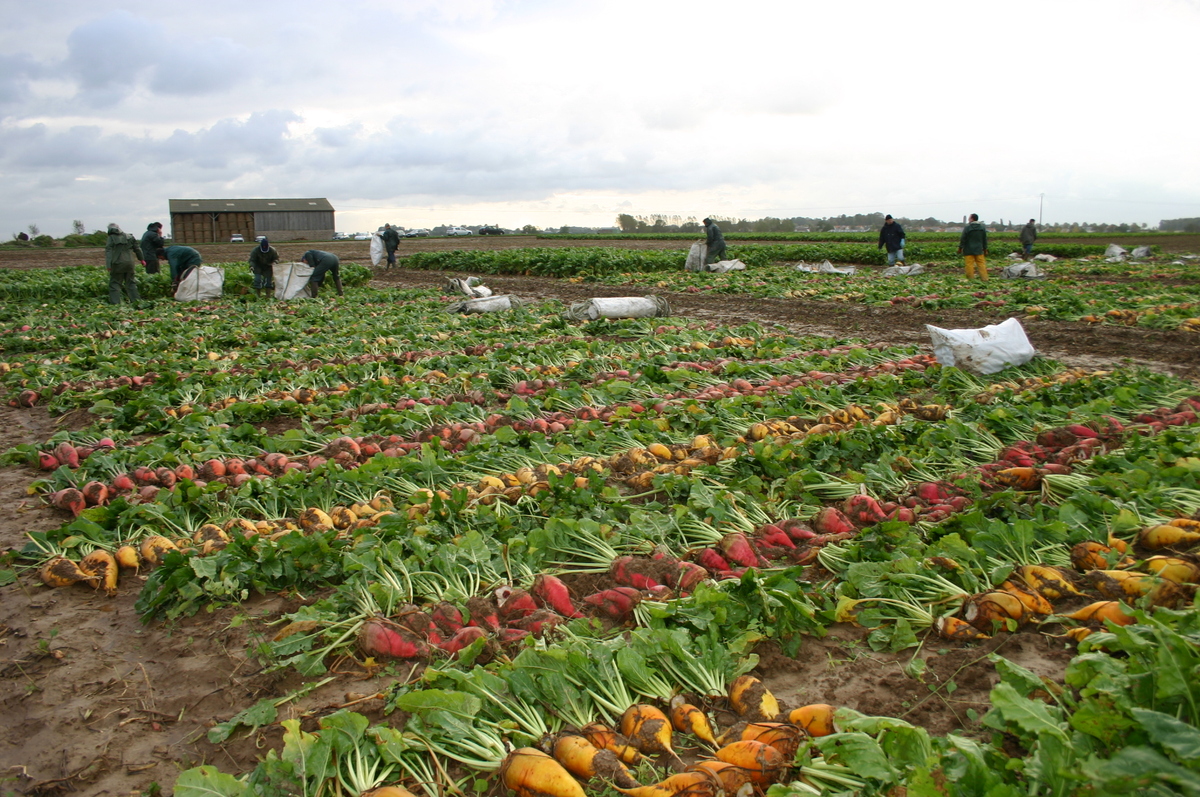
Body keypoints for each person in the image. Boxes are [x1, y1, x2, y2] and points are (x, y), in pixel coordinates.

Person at [104, 223, 143, 306]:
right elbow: (137, 249)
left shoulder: (111, 238)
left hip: (117, 263)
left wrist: (108, 265)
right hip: (130, 263)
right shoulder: (130, 236)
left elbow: (109, 252)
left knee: (115, 283)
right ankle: (137, 302)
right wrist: (142, 259)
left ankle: (115, 303)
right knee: (131, 282)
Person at [957, 213, 989, 281]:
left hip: (968, 250)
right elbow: (984, 239)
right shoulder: (982, 228)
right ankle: (984, 278)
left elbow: (963, 238)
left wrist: (960, 248)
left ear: (972, 219)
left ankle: (971, 279)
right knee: (981, 264)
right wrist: (985, 249)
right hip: (979, 249)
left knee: (969, 265)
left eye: (969, 218)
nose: (968, 219)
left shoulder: (967, 228)